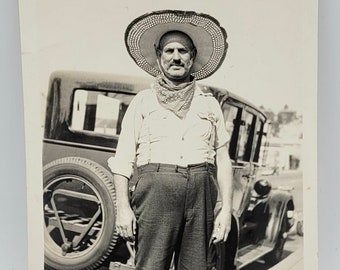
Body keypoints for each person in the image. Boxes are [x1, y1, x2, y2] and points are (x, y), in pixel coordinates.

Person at [108, 10, 233, 270]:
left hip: (202, 196)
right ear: (159, 56)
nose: (176, 57)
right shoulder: (143, 101)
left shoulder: (209, 104)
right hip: (156, 196)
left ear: (193, 57)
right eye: (169, 50)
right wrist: (123, 208)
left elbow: (223, 159)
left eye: (183, 51)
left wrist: (226, 211)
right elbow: (122, 161)